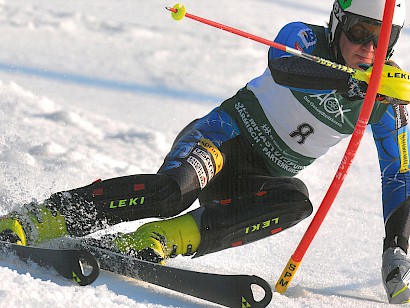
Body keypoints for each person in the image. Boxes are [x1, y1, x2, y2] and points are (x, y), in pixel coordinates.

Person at [0, 0, 409, 303]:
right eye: (358, 31)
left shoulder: (388, 102)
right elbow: (284, 65)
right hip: (219, 141)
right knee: (170, 193)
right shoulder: (306, 38)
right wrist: (351, 84)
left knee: (297, 200)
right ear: (337, 23)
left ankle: (156, 241)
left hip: (251, 180)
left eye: (382, 38)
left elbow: (399, 176)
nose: (368, 48)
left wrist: (396, 248)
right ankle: (39, 219)